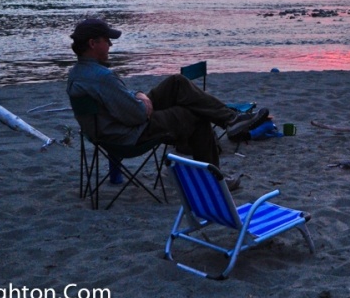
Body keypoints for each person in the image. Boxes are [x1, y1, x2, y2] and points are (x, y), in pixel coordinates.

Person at [66, 18, 268, 184]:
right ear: (92, 43)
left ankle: (232, 120)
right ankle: (213, 181)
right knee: (196, 115)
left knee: (177, 83)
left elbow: (121, 101)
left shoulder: (77, 73)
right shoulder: (102, 78)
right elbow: (136, 114)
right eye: (107, 40)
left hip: (110, 128)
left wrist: (138, 94)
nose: (110, 44)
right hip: (128, 134)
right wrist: (139, 100)